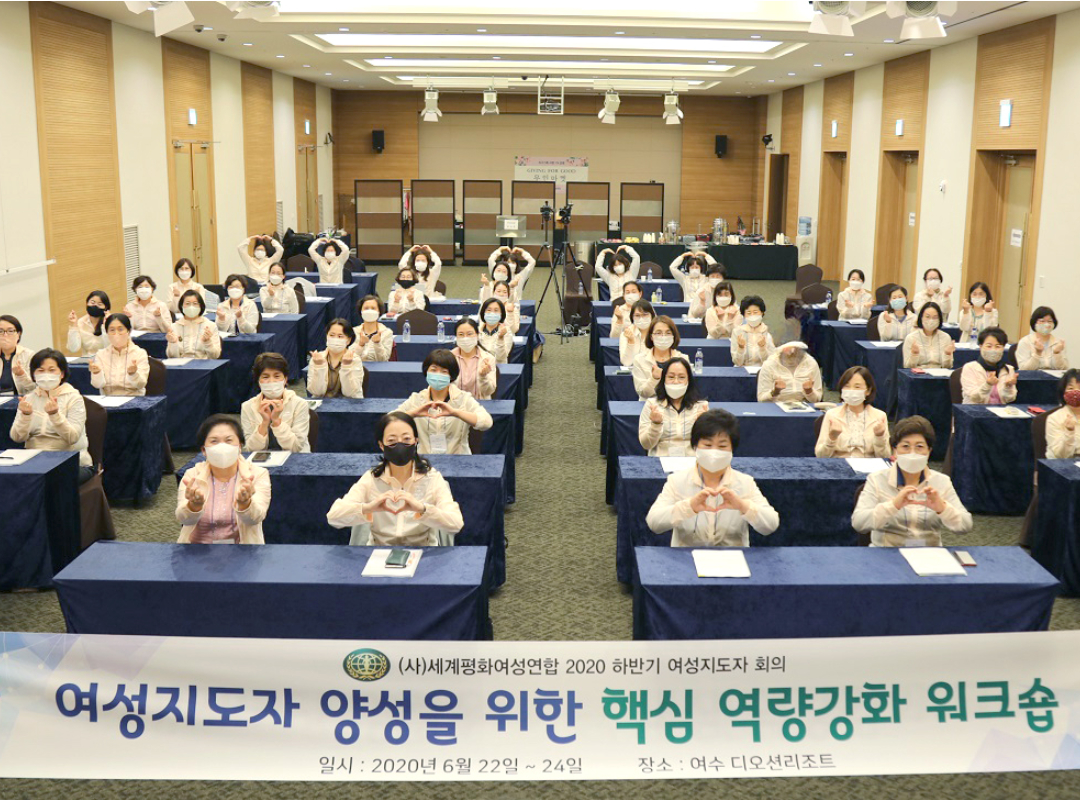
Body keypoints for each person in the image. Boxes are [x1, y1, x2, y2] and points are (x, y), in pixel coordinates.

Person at [327, 411, 464, 546]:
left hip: (422, 550)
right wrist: (368, 508)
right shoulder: (371, 478)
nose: (400, 446)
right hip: (379, 550)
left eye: (406, 439)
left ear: (416, 441)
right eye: (392, 441)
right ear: (381, 445)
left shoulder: (432, 478)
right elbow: (333, 517)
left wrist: (422, 509)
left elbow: (456, 523)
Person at [646, 409, 780, 546]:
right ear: (695, 446)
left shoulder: (745, 483)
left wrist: (743, 506)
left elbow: (771, 525)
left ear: (732, 450)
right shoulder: (677, 481)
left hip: (731, 556)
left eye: (722, 446)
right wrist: (689, 507)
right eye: (707, 445)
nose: (714, 452)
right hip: (687, 556)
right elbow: (654, 522)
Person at [852, 415, 972, 546]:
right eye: (905, 446)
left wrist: (943, 508)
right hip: (888, 550)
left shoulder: (941, 481)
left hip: (929, 553)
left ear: (929, 451)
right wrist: (893, 506)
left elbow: (965, 525)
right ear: (895, 450)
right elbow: (859, 523)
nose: (912, 453)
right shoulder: (877, 479)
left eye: (919, 447)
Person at [177, 415, 271, 544]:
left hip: (242, 549)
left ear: (239, 447)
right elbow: (184, 520)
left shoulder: (257, 474)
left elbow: (255, 519)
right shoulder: (192, 475)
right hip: (198, 548)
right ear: (204, 450)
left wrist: (245, 503)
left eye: (228, 440)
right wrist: (194, 506)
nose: (222, 446)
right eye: (214, 441)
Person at [10, 349, 93, 483]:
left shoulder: (74, 398)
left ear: (62, 374)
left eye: (52, 370)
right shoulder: (29, 399)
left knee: (49, 480)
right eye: (40, 370)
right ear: (33, 374)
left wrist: (55, 415)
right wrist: (25, 416)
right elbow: (17, 437)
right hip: (36, 459)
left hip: (72, 461)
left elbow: (72, 437)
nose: (46, 375)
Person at [396, 349, 493, 454]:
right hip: (425, 459)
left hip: (458, 458)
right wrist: (414, 413)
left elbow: (486, 422)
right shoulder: (417, 399)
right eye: (433, 370)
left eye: (444, 372)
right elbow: (390, 420)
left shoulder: (463, 398)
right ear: (426, 372)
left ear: (451, 375)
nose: (438, 375)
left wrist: (456, 413)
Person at [240, 353, 310, 453]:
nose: (271, 381)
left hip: (294, 458)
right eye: (265, 377)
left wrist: (277, 421)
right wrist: (264, 423)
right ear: (258, 381)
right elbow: (251, 449)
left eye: (277, 376)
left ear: (285, 379)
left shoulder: (300, 404)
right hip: (263, 460)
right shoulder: (247, 407)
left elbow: (296, 447)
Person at [638, 358, 710, 457]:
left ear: (688, 380)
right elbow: (646, 445)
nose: (676, 382)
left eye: (681, 377)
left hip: (691, 460)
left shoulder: (701, 406)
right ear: (664, 379)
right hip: (660, 460)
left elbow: (708, 444)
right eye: (671, 377)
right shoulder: (652, 405)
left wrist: (703, 426)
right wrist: (655, 425)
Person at [814, 366, 890, 458]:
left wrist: (879, 437)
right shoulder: (832, 415)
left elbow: (885, 457)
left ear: (868, 390)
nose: (851, 390)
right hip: (839, 464)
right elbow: (820, 456)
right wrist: (832, 438)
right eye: (847, 386)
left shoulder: (879, 416)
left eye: (857, 387)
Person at [88, 314, 149, 397]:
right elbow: (98, 385)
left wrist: (133, 374)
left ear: (128, 331)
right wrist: (96, 373)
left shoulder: (140, 353)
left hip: (133, 399)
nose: (116, 333)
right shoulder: (101, 354)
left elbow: (141, 385)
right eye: (112, 330)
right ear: (107, 332)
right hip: (108, 400)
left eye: (120, 329)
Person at [307, 319, 364, 399]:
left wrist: (346, 367)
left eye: (340, 336)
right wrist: (319, 367)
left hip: (349, 403)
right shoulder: (317, 358)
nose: (335, 339)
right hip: (323, 402)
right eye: (332, 335)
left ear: (348, 340)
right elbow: (316, 392)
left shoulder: (355, 359)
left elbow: (350, 393)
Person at [632, 316, 687, 399]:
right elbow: (643, 393)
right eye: (658, 333)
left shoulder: (683, 359)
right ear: (651, 337)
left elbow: (686, 389)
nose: (663, 336)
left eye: (668, 333)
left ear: (673, 336)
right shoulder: (639, 359)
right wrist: (654, 379)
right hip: (648, 404)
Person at [961, 327, 1017, 404]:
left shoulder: (1008, 369)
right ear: (981, 346)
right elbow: (974, 398)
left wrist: (1008, 387)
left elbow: (1009, 399)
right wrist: (988, 385)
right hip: (975, 409)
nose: (993, 350)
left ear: (1003, 348)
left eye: (998, 346)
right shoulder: (970, 368)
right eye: (989, 346)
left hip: (1000, 410)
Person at [757, 341, 823, 404]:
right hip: (776, 406)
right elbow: (761, 400)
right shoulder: (769, 365)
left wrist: (809, 392)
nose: (792, 352)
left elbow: (817, 399)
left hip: (805, 406)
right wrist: (775, 392)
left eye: (796, 350)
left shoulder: (811, 363)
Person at [450, 317, 497, 400]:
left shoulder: (488, 359)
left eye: (469, 334)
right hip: (455, 404)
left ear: (477, 336)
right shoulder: (449, 358)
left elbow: (489, 392)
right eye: (461, 334)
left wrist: (483, 377)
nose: (465, 338)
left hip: (480, 404)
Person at [166, 290, 221, 359]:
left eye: (195, 303)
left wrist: (208, 342)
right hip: (181, 364)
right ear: (181, 306)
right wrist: (173, 343)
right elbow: (172, 357)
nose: (191, 307)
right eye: (187, 303)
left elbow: (215, 356)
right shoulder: (174, 326)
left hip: (203, 363)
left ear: (201, 306)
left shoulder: (210, 326)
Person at [903, 301, 955, 369]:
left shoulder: (945, 337)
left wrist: (947, 354)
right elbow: (907, 367)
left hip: (939, 373)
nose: (931, 320)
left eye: (935, 317)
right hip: (919, 373)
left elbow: (948, 367)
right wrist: (914, 354)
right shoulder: (911, 338)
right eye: (927, 317)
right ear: (921, 317)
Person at [1016, 306, 1068, 370]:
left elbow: (1064, 368)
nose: (1046, 324)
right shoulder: (1025, 342)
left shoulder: (1058, 342)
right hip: (1032, 376)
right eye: (1042, 321)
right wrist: (1037, 353)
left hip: (1053, 376)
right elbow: (1024, 369)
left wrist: (1057, 353)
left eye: (1049, 321)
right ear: (1034, 322)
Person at [731, 296, 776, 367]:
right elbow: (737, 362)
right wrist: (740, 348)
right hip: (742, 369)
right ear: (744, 315)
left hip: (761, 370)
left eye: (755, 312)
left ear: (762, 313)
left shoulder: (766, 334)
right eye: (749, 313)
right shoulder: (737, 332)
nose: (752, 316)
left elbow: (771, 362)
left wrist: (762, 348)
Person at [1046, 369, 1080, 458]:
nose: (1076, 392)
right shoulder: (1054, 418)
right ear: (1063, 392)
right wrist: (1069, 432)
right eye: (1071, 388)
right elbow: (1061, 455)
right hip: (1065, 463)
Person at [66, 291, 111, 356]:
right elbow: (73, 349)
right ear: (87, 303)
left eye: (100, 304)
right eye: (92, 302)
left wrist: (105, 326)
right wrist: (74, 325)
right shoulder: (81, 322)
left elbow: (110, 347)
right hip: (87, 361)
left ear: (106, 307)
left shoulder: (111, 322)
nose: (95, 306)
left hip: (106, 360)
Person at [0, 315, 35, 397]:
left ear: (18, 334)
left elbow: (34, 387)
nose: (5, 335)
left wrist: (21, 375)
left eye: (10, 331)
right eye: (0, 331)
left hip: (21, 400)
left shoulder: (29, 355)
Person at [352, 295, 394, 362]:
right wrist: (361, 345)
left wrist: (377, 344)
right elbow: (351, 358)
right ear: (361, 311)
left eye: (373, 308)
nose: (369, 311)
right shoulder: (353, 332)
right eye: (366, 308)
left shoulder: (387, 333)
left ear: (379, 311)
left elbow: (384, 359)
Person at [619, 299, 656, 367]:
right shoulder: (626, 334)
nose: (641, 318)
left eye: (645, 315)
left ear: (652, 316)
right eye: (637, 315)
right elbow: (626, 363)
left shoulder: (658, 333)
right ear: (632, 318)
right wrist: (630, 342)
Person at [478, 298, 513, 363]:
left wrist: (500, 338)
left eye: (496, 310)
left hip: (499, 366)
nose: (492, 313)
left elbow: (501, 358)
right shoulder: (476, 331)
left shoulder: (506, 332)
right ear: (483, 312)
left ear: (501, 314)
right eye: (489, 310)